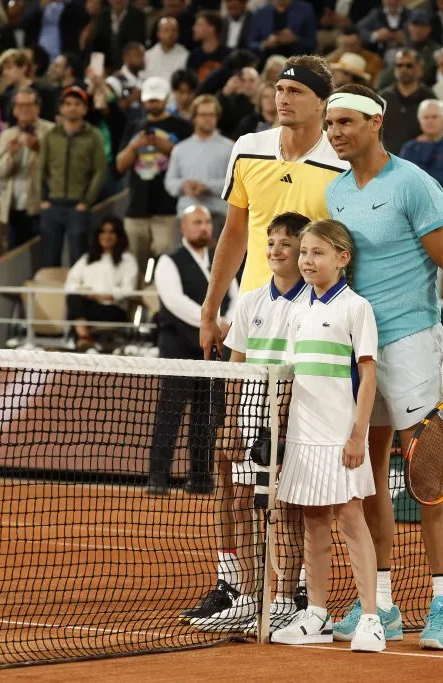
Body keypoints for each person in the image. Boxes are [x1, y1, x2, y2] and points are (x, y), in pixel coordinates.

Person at [322, 83, 443, 649]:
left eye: (345, 122)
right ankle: (382, 603)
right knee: (365, 480)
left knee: (429, 481)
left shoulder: (414, 183)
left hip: (412, 341)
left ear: (375, 123)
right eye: (330, 124)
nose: (335, 133)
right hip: (357, 349)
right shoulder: (336, 192)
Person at [183, 211, 311, 634]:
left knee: (286, 511)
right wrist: (230, 424)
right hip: (250, 417)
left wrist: (283, 425)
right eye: (271, 243)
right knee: (242, 504)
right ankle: (249, 598)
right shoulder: (250, 301)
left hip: (292, 421)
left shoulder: (312, 304)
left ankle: (286, 600)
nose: (276, 250)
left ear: (303, 251)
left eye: (286, 244)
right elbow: (236, 366)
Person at [268, 219, 383, 653]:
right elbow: (292, 377)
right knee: (313, 524)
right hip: (303, 435)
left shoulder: (357, 308)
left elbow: (368, 377)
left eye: (317, 252)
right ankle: (316, 613)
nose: (307, 260)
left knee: (351, 519)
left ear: (342, 258)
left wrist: (357, 435)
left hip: (340, 435)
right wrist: (277, 431)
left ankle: (371, 618)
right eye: (304, 252)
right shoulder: (298, 311)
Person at [199, 55, 348, 342]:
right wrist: (209, 311)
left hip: (318, 315)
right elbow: (234, 233)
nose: (283, 99)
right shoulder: (247, 148)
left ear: (322, 102)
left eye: (295, 91)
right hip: (253, 309)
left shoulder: (343, 163)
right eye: (280, 89)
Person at [148, 205, 237, 495]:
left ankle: (200, 477)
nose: (204, 227)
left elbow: (235, 294)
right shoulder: (168, 261)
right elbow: (174, 300)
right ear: (183, 228)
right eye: (197, 222)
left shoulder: (220, 258)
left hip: (212, 348)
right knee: (170, 412)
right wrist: (212, 320)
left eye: (207, 222)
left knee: (206, 415)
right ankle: (157, 477)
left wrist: (227, 322)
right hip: (177, 346)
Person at [116, 76, 193, 277]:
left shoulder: (182, 127)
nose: (153, 104)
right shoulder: (134, 126)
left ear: (166, 98)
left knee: (165, 263)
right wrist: (134, 146)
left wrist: (166, 147)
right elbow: (120, 165)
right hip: (136, 207)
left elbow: (189, 162)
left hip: (167, 208)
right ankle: (138, 297)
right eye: (149, 100)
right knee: (134, 267)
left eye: (157, 99)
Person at [40, 85, 107, 268]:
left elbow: (99, 170)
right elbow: (42, 168)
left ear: (84, 109)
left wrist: (86, 201)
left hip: (78, 205)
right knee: (49, 257)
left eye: (77, 104)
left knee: (79, 258)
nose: (72, 108)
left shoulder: (93, 136)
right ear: (61, 108)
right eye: (68, 104)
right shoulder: (51, 135)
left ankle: (78, 288)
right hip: (53, 204)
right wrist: (43, 199)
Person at [64, 216, 139, 351]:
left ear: (118, 236)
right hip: (88, 304)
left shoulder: (127, 259)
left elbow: (128, 289)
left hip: (113, 309)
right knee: (73, 298)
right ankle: (84, 337)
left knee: (76, 311)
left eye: (111, 232)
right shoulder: (87, 258)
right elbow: (70, 283)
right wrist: (86, 292)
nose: (107, 236)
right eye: (103, 232)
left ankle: (82, 339)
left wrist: (106, 296)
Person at [165, 94, 233, 231]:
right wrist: (183, 185)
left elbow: (235, 183)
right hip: (187, 214)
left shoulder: (230, 147)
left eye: (211, 114)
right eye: (203, 114)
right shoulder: (180, 149)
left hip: (218, 215)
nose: (207, 118)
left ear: (217, 117)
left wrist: (207, 187)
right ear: (194, 117)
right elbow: (170, 182)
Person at [0, 87, 52, 250]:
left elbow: (56, 169)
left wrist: (38, 149)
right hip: (14, 208)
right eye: (20, 105)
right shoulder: (6, 135)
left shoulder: (51, 131)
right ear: (14, 110)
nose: (24, 109)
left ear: (38, 108)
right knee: (14, 256)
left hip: (40, 206)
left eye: (29, 105)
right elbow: (0, 172)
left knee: (42, 253)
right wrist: (10, 155)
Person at [399, 99, 443, 199]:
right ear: (420, 121)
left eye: (434, 117)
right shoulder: (410, 147)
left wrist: (418, 174)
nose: (430, 121)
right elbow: (404, 175)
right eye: (425, 117)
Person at [377, 49, 434, 156]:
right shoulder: (383, 98)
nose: (403, 69)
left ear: (419, 68)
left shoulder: (429, 99)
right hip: (386, 158)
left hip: (419, 159)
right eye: (399, 65)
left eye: (409, 66)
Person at [248, 0, 317, 59]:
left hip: (296, 60)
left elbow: (312, 44)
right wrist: (265, 44)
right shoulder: (260, 13)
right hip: (267, 61)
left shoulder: (305, 10)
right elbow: (251, 44)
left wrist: (295, 39)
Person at [187, 11, 229, 83]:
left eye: (198, 25)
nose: (193, 28)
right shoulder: (194, 56)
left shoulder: (228, 55)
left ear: (211, 28)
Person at [144, 17, 188, 83]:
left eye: (174, 30)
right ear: (158, 33)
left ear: (178, 33)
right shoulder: (147, 56)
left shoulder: (186, 55)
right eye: (166, 30)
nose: (170, 34)